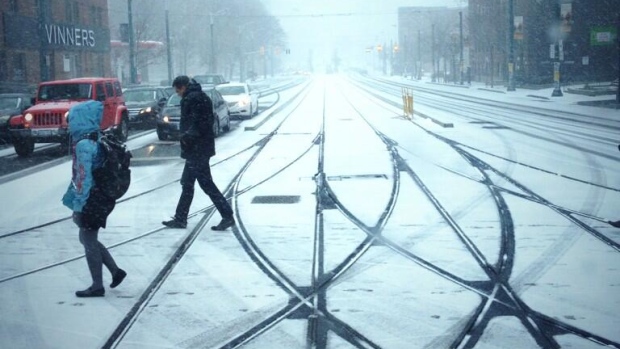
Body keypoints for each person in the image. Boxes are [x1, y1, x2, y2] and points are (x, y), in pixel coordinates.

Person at [62, 100, 126, 298]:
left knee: (88, 239)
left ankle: (97, 286)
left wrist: (79, 204)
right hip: (101, 196)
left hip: (93, 199)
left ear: (80, 120)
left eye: (71, 120)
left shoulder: (83, 145)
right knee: (86, 237)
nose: (69, 125)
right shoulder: (96, 138)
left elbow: (83, 177)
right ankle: (115, 271)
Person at [162, 76, 235, 231]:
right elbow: (201, 122)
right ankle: (181, 218)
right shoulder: (199, 97)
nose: (177, 93)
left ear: (183, 87)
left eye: (177, 90)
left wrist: (187, 136)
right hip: (198, 149)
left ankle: (227, 215)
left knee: (203, 184)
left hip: (197, 149)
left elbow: (199, 123)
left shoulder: (193, 99)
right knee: (188, 184)